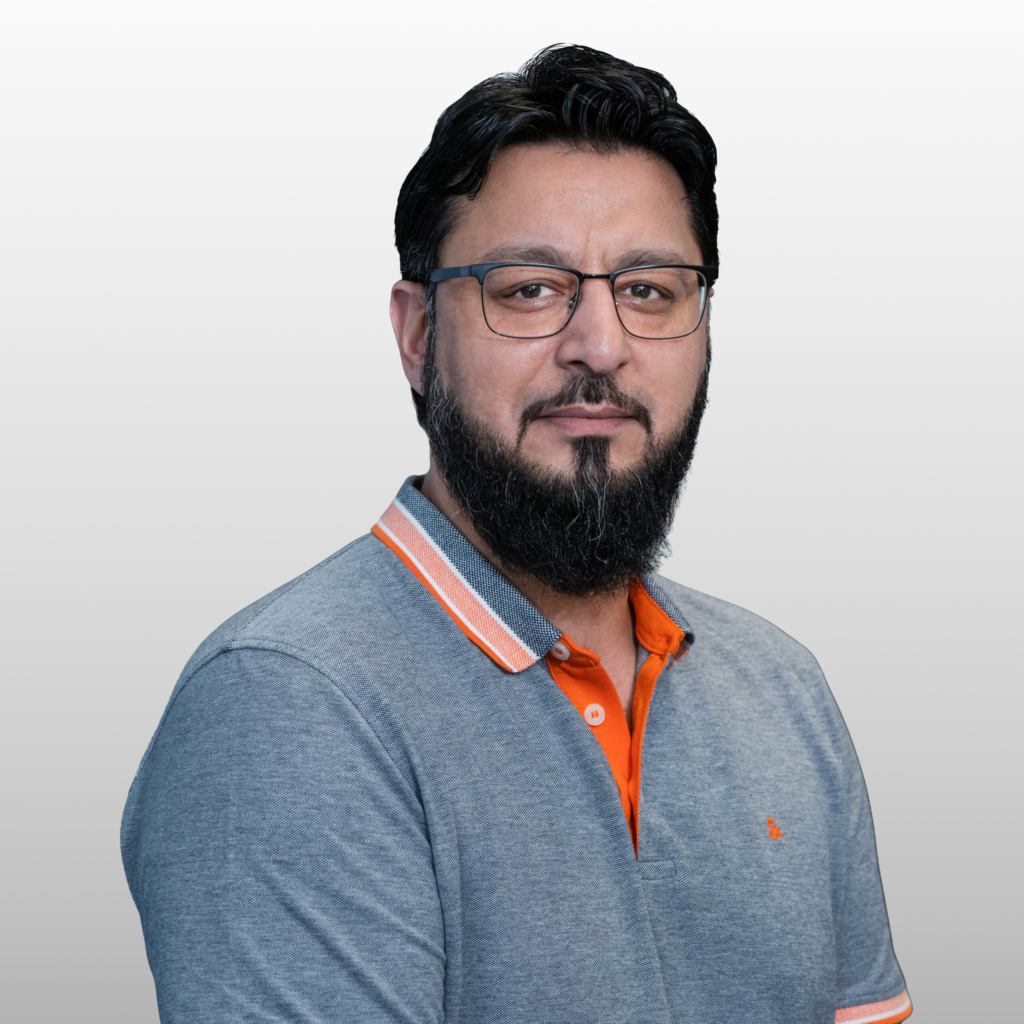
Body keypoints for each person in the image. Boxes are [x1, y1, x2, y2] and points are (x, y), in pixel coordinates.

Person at [122, 44, 912, 1024]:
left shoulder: (782, 688)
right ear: (418, 336)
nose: (600, 345)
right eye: (529, 288)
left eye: (650, 289)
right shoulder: (288, 703)